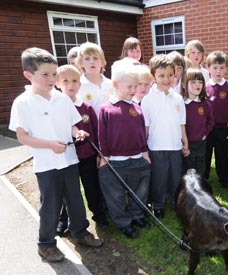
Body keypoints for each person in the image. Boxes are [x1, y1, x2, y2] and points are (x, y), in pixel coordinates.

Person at [9, 47, 103, 262]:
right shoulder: (23, 103)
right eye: (45, 74)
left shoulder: (61, 99)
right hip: (47, 165)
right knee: (50, 205)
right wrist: (50, 145)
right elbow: (22, 138)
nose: (52, 79)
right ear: (28, 75)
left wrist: (77, 132)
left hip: (69, 160)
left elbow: (72, 124)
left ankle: (80, 232)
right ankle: (46, 244)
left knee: (75, 200)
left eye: (54, 74)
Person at [97, 58, 151, 239]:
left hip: (137, 158)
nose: (133, 91)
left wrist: (144, 152)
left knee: (140, 190)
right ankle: (123, 222)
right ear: (115, 84)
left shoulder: (137, 108)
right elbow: (102, 136)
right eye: (129, 87)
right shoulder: (106, 109)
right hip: (115, 162)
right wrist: (104, 157)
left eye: (135, 87)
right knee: (116, 195)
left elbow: (141, 133)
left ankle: (136, 214)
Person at [55, 65, 108, 235]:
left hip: (87, 157)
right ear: (57, 83)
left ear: (80, 83)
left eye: (75, 81)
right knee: (67, 191)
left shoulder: (87, 107)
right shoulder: (55, 107)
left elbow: (96, 131)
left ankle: (99, 214)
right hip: (65, 158)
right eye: (66, 81)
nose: (71, 85)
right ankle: (64, 219)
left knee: (92, 187)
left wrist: (99, 153)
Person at [141, 54, 189, 219]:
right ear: (153, 76)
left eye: (170, 74)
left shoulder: (178, 98)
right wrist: (143, 148)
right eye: (161, 75)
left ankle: (175, 202)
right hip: (156, 146)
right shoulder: (147, 99)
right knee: (159, 178)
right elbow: (146, 126)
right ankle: (158, 204)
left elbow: (182, 123)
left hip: (175, 146)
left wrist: (185, 142)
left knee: (175, 178)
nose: (166, 79)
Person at [204, 50, 228, 188]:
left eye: (222, 67)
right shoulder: (204, 87)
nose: (218, 71)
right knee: (205, 156)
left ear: (226, 69)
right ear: (208, 68)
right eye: (215, 67)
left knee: (222, 155)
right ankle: (203, 179)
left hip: (222, 129)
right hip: (207, 130)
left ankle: (224, 179)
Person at [181, 67, 215, 176]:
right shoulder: (181, 104)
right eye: (193, 82)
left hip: (201, 142)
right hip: (186, 144)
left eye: (200, 82)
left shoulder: (205, 103)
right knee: (188, 169)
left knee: (200, 167)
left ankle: (200, 189)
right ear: (184, 85)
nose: (197, 85)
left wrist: (205, 134)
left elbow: (211, 121)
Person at [77, 42, 113, 116]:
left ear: (102, 62)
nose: (92, 62)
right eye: (87, 58)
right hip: (89, 126)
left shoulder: (111, 84)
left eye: (95, 58)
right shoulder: (78, 86)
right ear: (81, 63)